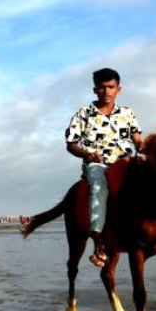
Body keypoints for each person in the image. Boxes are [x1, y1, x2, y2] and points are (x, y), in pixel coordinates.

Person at [60, 67, 142, 267]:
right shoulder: (83, 114)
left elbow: (138, 139)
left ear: (118, 89)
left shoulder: (127, 113)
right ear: (95, 90)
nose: (106, 91)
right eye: (102, 87)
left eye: (111, 87)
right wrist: (86, 153)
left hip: (125, 162)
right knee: (100, 188)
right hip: (97, 164)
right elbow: (71, 144)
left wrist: (154, 148)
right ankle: (98, 243)